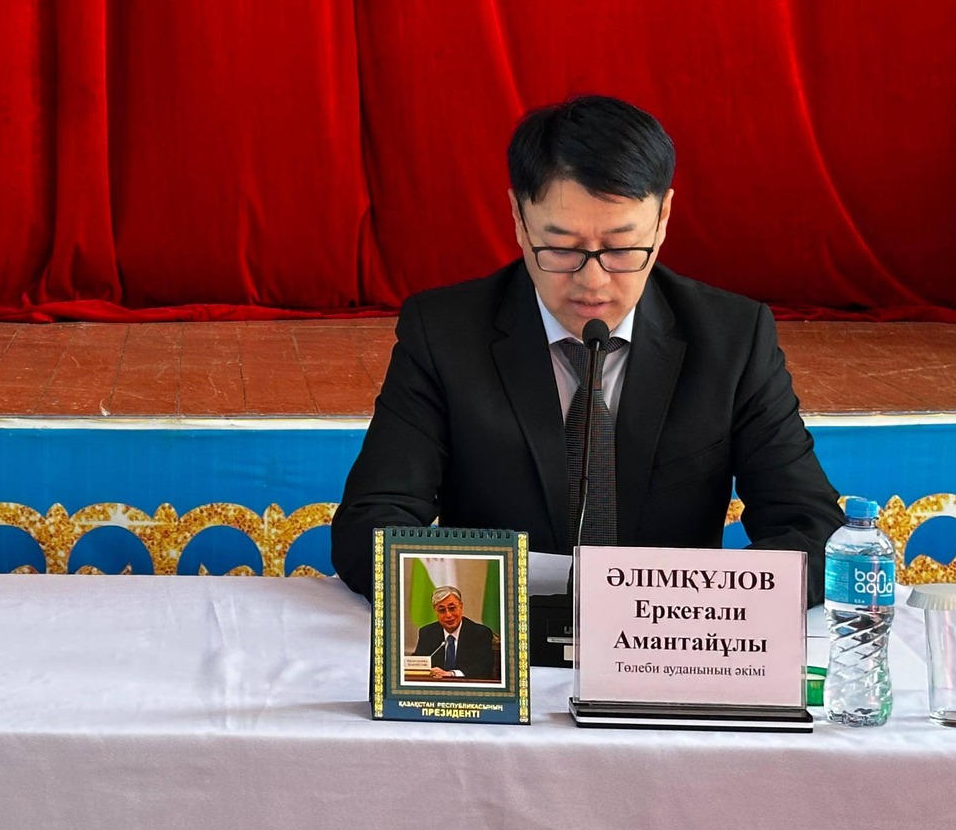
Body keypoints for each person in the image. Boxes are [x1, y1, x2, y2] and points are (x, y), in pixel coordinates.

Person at [332, 95, 842, 663]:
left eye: (622, 249)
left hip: (666, 659)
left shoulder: (732, 338)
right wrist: (506, 620)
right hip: (503, 659)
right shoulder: (445, 333)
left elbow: (816, 530)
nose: (593, 282)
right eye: (561, 248)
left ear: (663, 219)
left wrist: (691, 612)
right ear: (518, 218)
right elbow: (369, 528)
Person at [410, 585, 498, 680]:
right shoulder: (427, 633)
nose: (448, 615)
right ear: (435, 611)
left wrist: (451, 674)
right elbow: (419, 664)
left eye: (452, 608)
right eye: (442, 610)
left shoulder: (479, 633)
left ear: (461, 606)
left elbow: (484, 669)